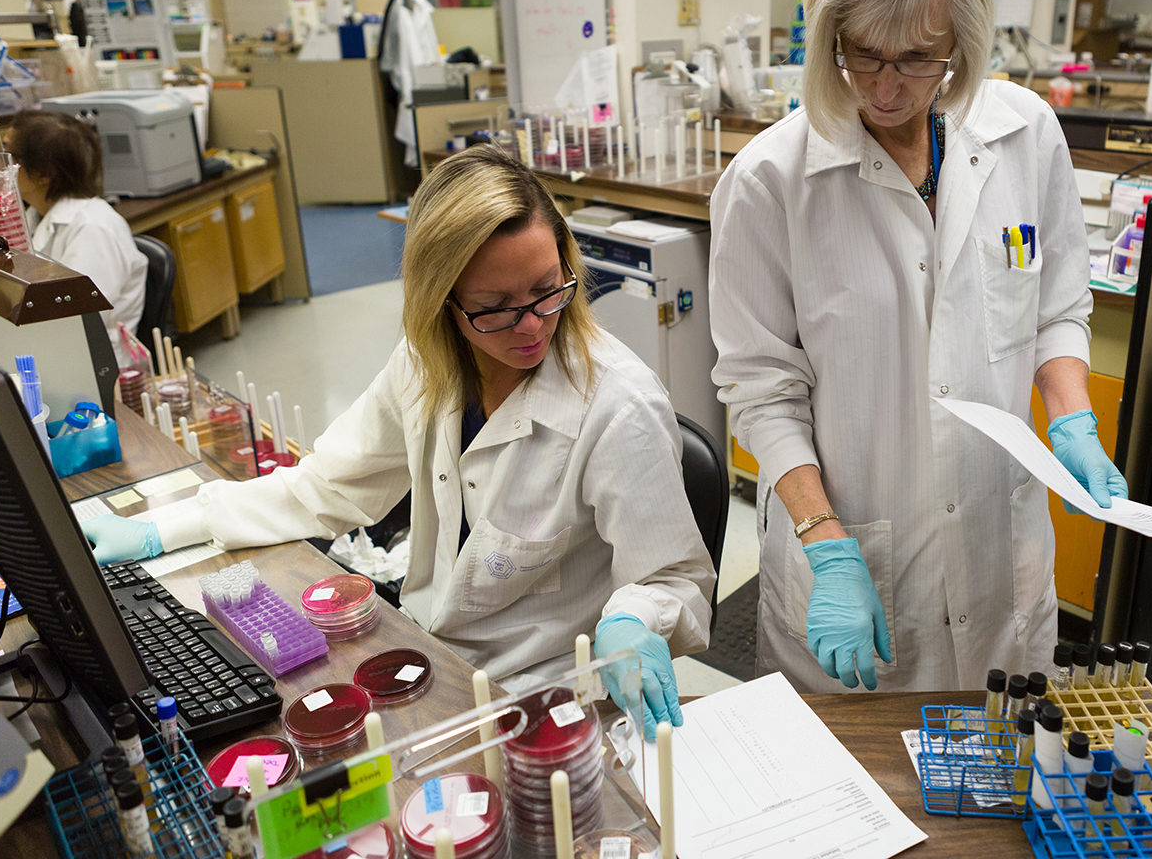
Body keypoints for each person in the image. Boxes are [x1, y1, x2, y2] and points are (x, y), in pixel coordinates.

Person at [82, 146, 715, 730]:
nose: (532, 325)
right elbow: (330, 487)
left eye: (548, 289)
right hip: (431, 662)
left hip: (549, 701)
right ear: (440, 301)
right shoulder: (425, 362)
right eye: (495, 305)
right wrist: (164, 528)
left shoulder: (616, 405)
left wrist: (634, 618)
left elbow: (677, 577)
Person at [708, 0, 1126, 694]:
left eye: (916, 58)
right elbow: (761, 391)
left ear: (964, 42)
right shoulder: (769, 181)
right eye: (862, 51)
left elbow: (1058, 310)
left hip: (1000, 550)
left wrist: (1071, 417)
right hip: (858, 555)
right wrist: (828, 546)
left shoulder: (1026, 134)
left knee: (1000, 788)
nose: (886, 86)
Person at [9, 110, 146, 352]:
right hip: (53, 346)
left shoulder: (92, 229)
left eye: (9, 155)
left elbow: (76, 323)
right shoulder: (35, 215)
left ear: (44, 173)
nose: (0, 167)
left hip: (94, 363)